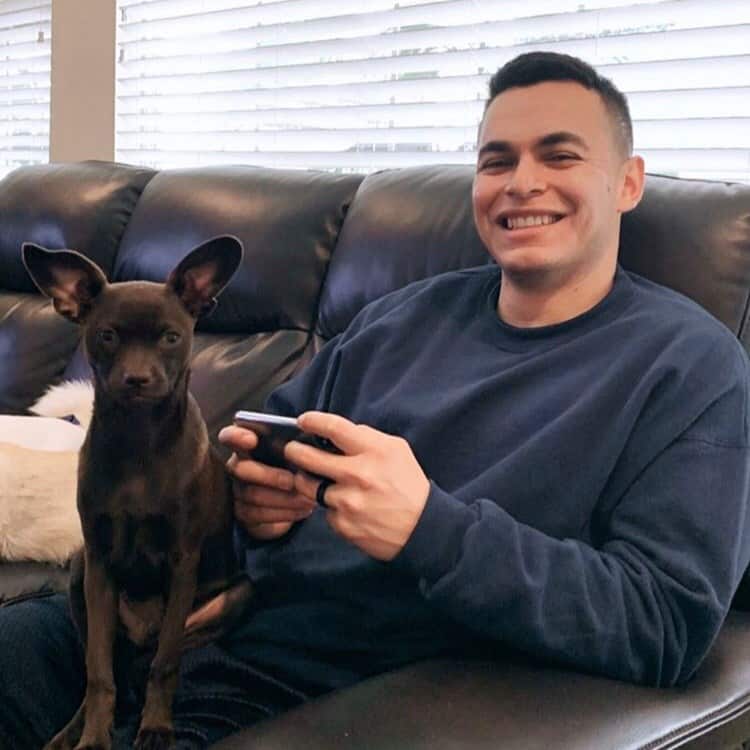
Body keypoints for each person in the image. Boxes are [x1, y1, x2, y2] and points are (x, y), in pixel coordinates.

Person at [2, 50, 749, 749]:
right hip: (164, 613)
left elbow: (666, 623)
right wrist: (257, 504)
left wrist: (432, 528)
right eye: (497, 161)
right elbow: (263, 447)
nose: (522, 182)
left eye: (560, 155)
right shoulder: (406, 315)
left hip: (323, 682)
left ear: (627, 181)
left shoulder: (690, 369)